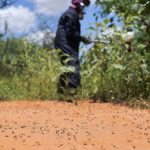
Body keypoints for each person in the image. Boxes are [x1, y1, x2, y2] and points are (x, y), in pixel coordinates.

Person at [54, 0, 91, 94]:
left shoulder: (71, 14)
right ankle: (71, 93)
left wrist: (81, 39)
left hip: (64, 43)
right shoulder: (71, 14)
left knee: (68, 68)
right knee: (73, 66)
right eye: (84, 6)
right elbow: (70, 32)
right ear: (79, 5)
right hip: (65, 43)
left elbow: (72, 33)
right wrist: (82, 38)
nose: (84, 9)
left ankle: (61, 93)